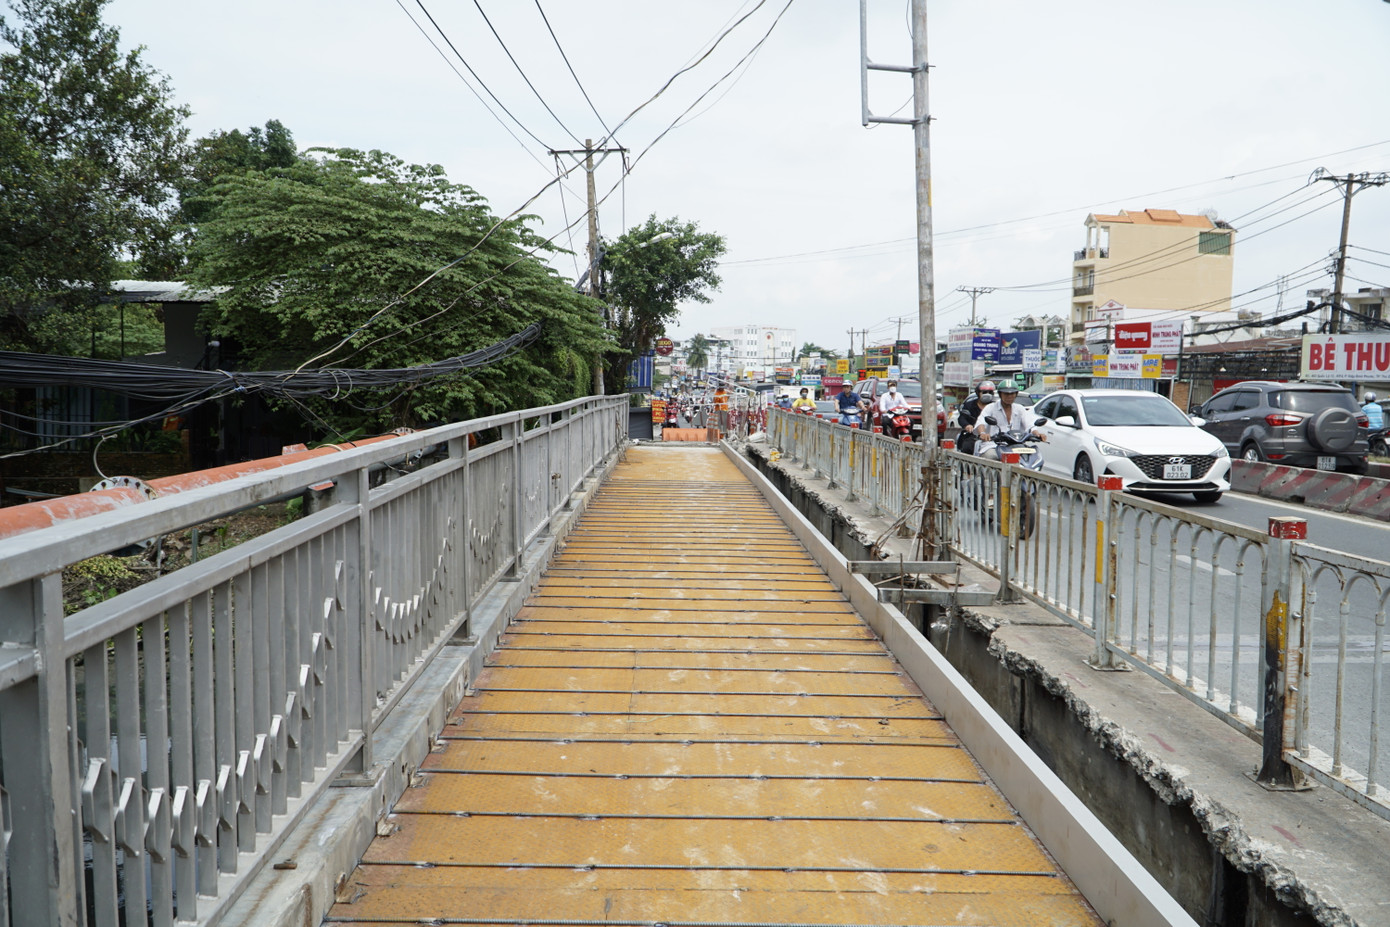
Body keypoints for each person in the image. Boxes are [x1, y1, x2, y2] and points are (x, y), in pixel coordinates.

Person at [974, 383, 1045, 451]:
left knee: (1033, 456)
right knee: (990, 455)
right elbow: (981, 422)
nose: (1009, 396)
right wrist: (983, 433)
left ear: (1016, 394)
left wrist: (1037, 434)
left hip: (1017, 446)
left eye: (1012, 394)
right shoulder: (990, 407)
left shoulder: (1020, 408)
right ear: (1000, 394)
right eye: (1006, 394)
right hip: (993, 445)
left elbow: (1029, 424)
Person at [954, 380, 996, 455]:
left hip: (993, 437)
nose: (987, 395)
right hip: (973, 435)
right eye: (984, 392)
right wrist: (967, 425)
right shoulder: (969, 405)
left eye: (990, 392)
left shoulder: (995, 407)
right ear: (978, 393)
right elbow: (962, 418)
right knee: (967, 446)